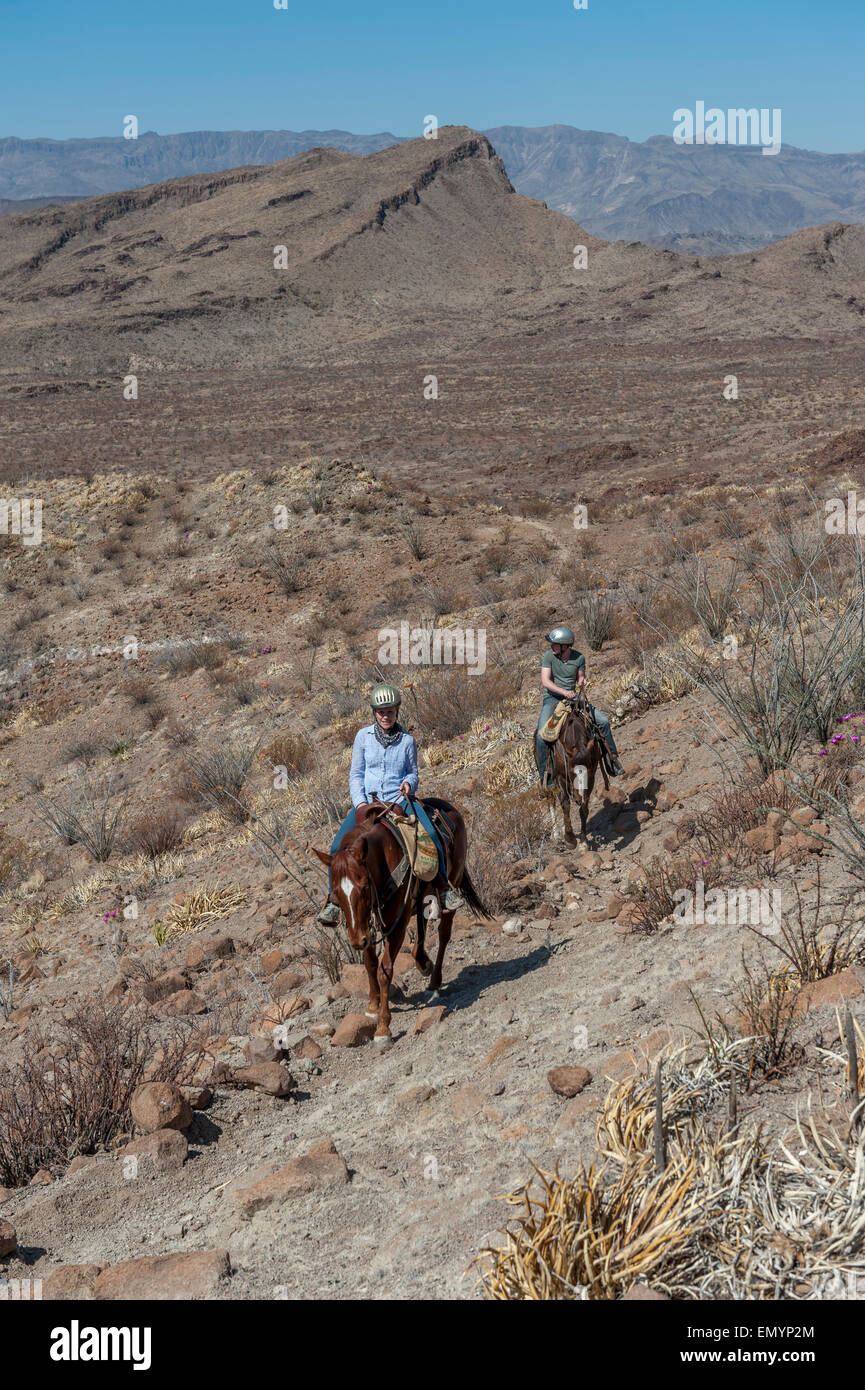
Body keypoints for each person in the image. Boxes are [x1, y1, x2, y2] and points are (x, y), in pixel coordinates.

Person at [316, 684, 464, 925]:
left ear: (397, 712)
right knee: (336, 850)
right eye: (381, 712)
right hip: (368, 803)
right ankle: (333, 902)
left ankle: (444, 888)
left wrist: (408, 784)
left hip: (399, 802)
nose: (386, 716)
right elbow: (356, 774)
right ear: (374, 712)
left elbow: (413, 773)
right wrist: (360, 804)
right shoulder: (362, 737)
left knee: (431, 836)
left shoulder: (407, 741)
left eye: (390, 712)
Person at [536, 626, 624, 783]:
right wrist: (563, 692)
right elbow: (545, 681)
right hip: (552, 699)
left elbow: (580, 677)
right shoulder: (548, 656)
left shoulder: (579, 658)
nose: (551, 646)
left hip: (573, 698)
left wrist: (582, 681)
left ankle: (613, 761)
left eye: (554, 643)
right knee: (540, 736)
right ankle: (545, 775)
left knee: (603, 722)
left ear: (565, 646)